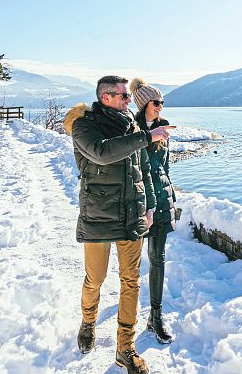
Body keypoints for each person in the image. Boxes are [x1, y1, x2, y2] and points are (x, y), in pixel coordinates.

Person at [62, 75, 173, 374]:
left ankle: (125, 348)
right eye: (124, 96)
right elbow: (103, 152)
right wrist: (149, 136)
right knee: (95, 279)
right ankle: (88, 320)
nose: (128, 101)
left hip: (131, 216)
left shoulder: (132, 125)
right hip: (99, 215)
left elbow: (144, 169)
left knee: (131, 281)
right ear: (106, 97)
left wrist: (149, 205)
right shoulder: (84, 126)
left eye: (128, 96)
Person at [130, 77, 177, 344]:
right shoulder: (131, 130)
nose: (160, 107)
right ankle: (126, 316)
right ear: (144, 104)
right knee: (132, 263)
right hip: (136, 203)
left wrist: (170, 196)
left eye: (162, 102)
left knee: (157, 258)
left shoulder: (164, 129)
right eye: (156, 102)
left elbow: (165, 167)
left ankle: (155, 316)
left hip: (160, 201)